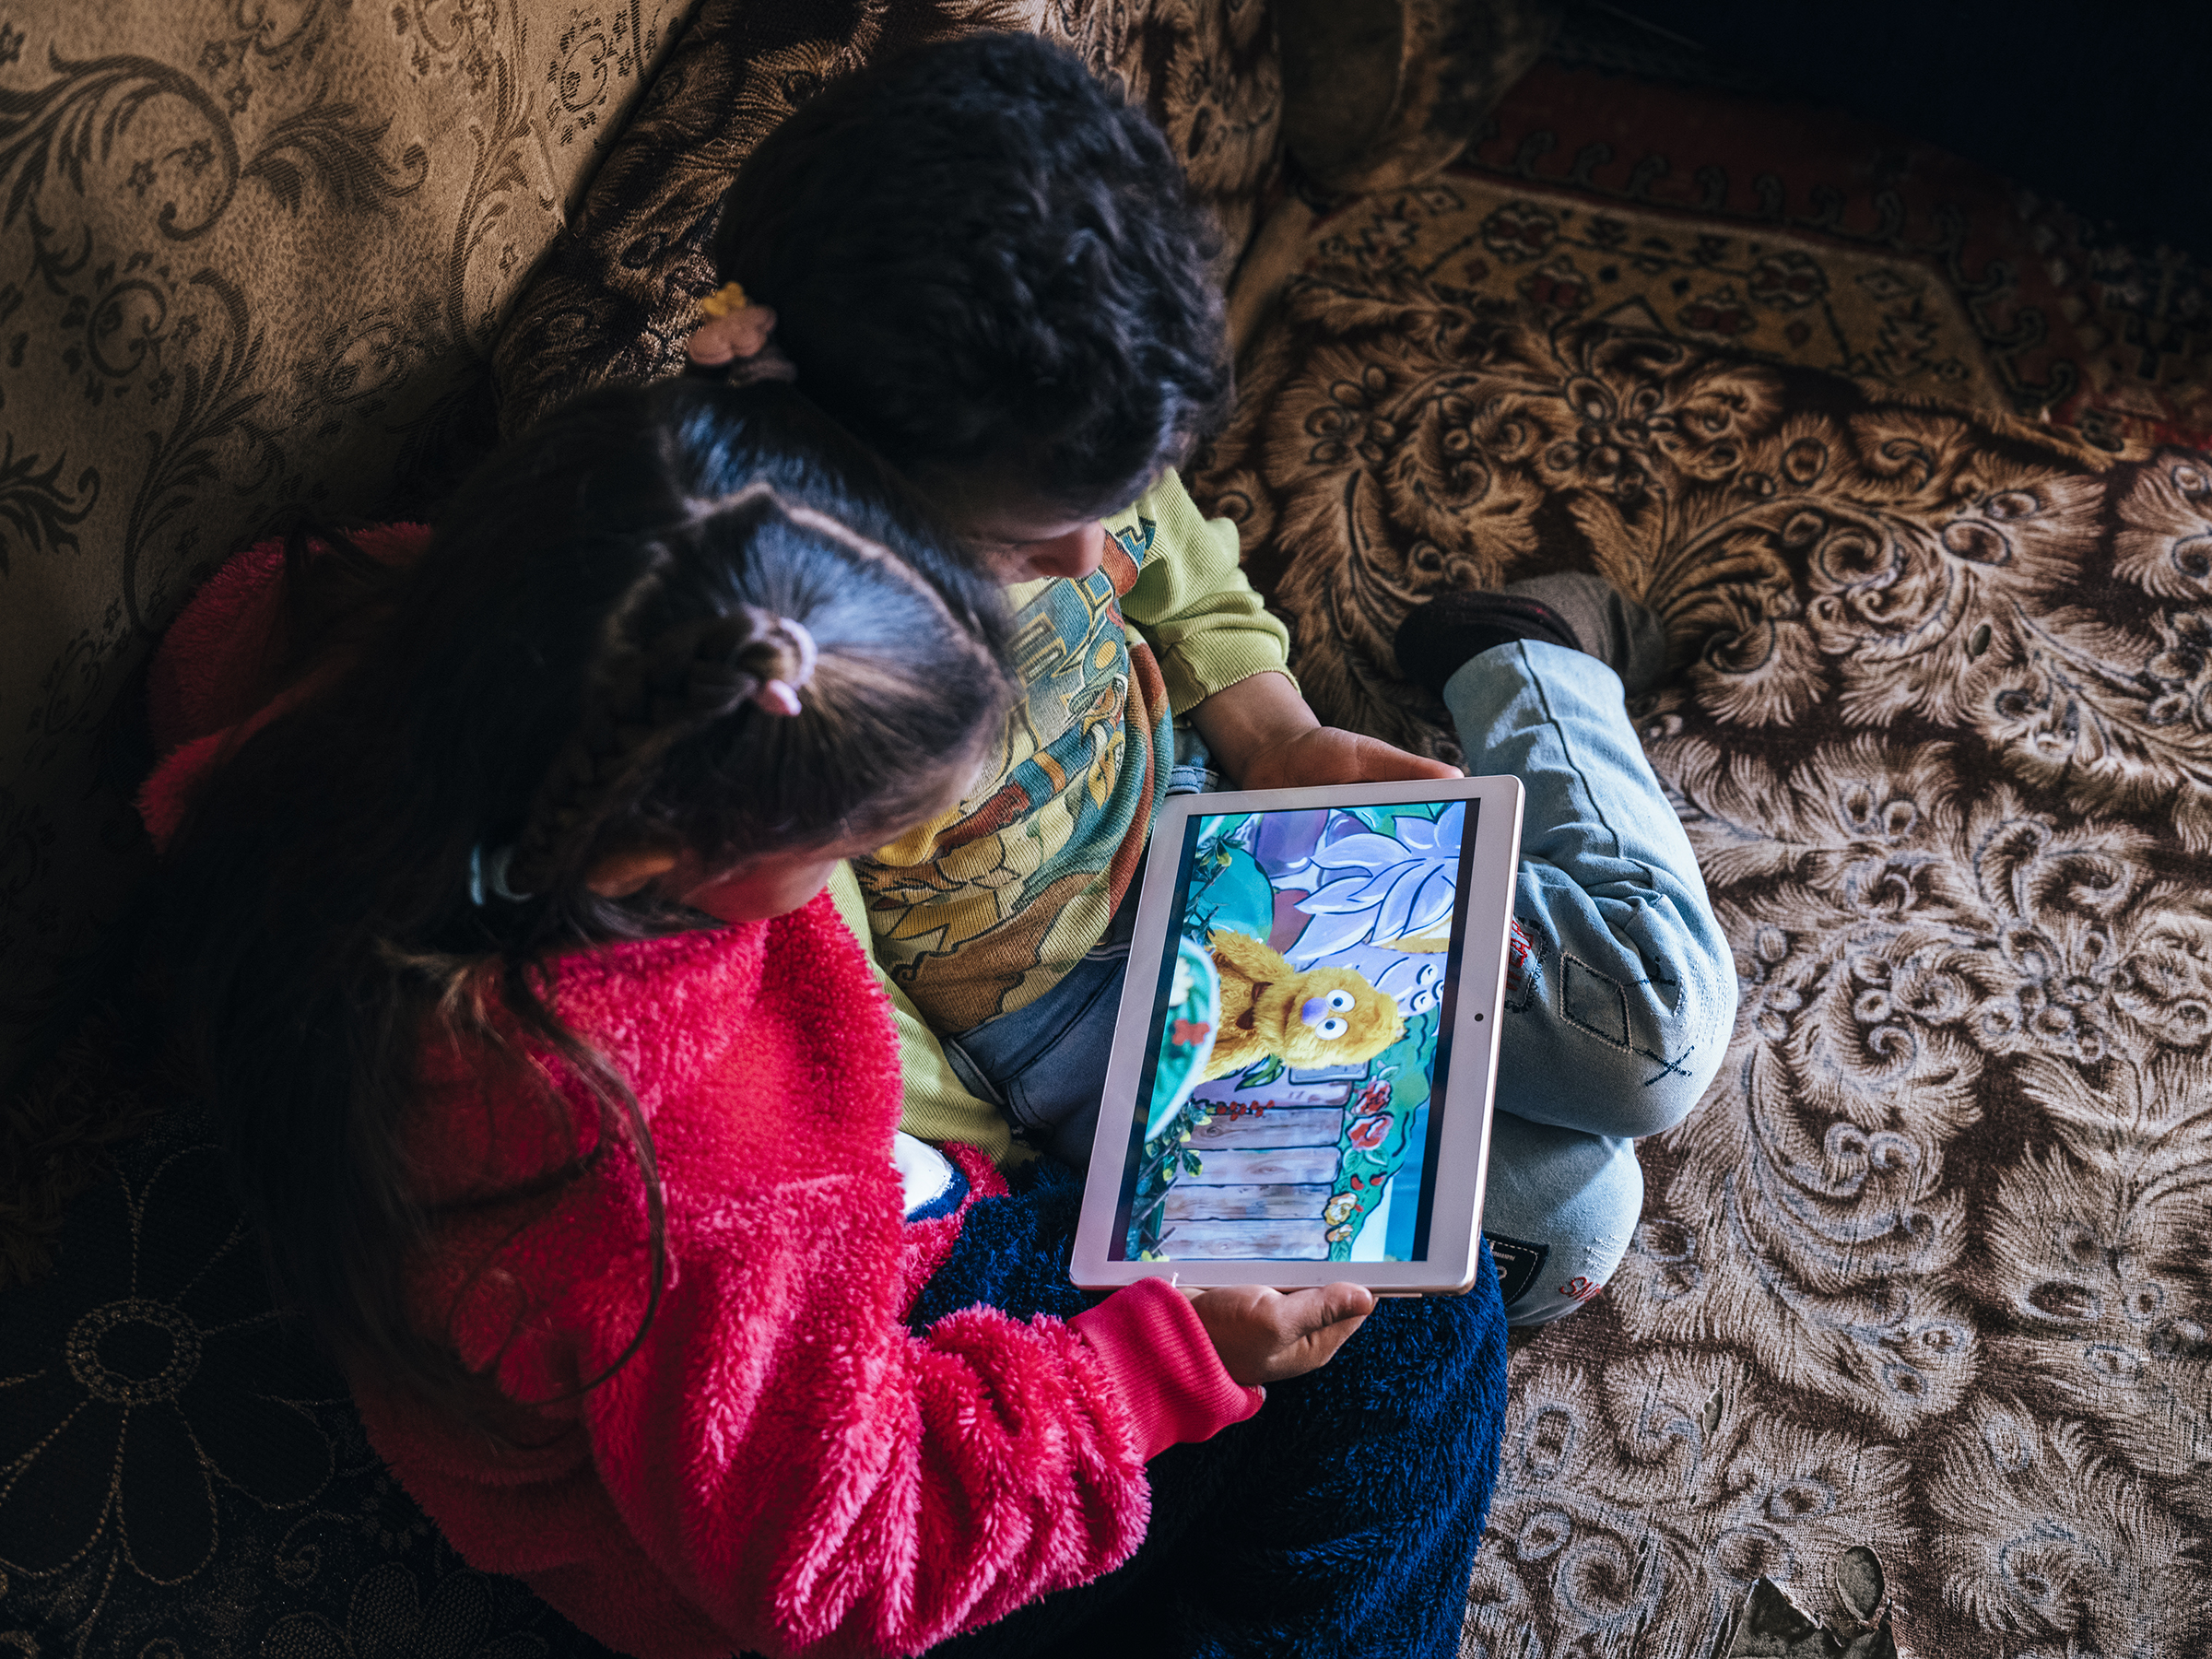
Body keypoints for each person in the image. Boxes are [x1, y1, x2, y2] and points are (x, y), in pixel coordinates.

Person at [142, 377, 1507, 1659]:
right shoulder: (675, 1161)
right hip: (836, 1495)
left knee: (1387, 1221)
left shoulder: (432, 650)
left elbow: (238, 619)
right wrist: (1154, 1363)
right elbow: (842, 1562)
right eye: (862, 835)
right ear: (704, 855)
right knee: (1417, 1314)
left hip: (822, 1299)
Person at [689, 30, 1739, 1325]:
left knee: (1654, 1043)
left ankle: (1521, 654)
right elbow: (849, 1017)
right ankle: (1512, 665)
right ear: (861, 474)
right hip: (1084, 1047)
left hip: (1241, 837)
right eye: (1034, 533)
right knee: (1568, 1228)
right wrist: (1026, 1185)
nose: (1088, 557)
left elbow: (1161, 545)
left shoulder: (1041, 407)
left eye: (1109, 496)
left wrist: (1276, 731)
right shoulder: (785, 672)